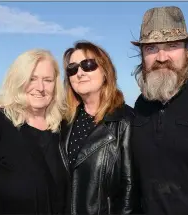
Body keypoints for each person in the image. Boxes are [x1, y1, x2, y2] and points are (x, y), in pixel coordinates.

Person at [130, 6, 188, 215]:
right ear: (142, 55)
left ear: (187, 51)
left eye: (172, 45)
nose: (161, 57)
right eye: (151, 48)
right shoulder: (141, 105)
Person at [60, 41, 139, 215]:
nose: (79, 73)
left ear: (105, 71)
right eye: (72, 69)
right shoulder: (63, 121)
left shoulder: (126, 121)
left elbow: (130, 192)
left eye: (88, 65)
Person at [0, 49, 69, 214]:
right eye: (32, 79)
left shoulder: (63, 128)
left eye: (47, 80)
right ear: (18, 80)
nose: (40, 87)